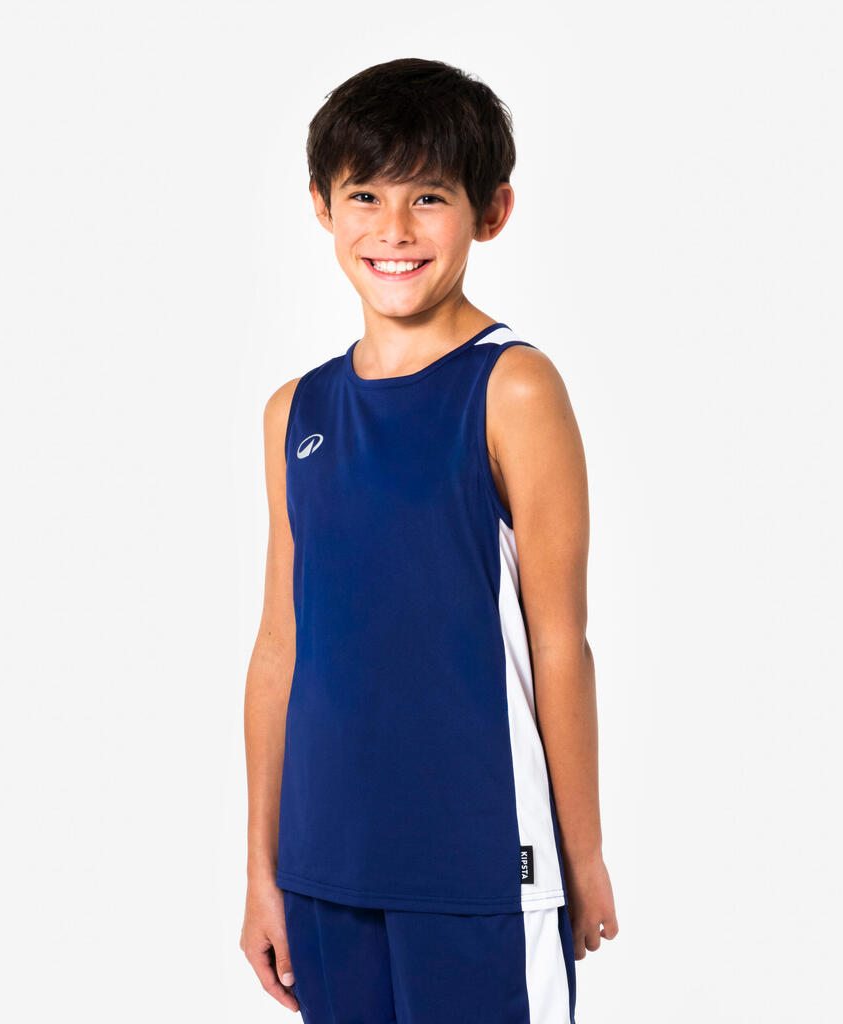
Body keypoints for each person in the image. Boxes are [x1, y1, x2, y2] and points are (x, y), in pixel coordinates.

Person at [240, 56, 618, 1023]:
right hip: (325, 866)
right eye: (365, 195)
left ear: (492, 211)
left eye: (429, 197)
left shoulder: (512, 387)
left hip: (477, 860)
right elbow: (281, 647)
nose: (394, 229)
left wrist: (582, 857)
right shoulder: (295, 412)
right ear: (322, 206)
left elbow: (560, 643)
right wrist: (262, 869)